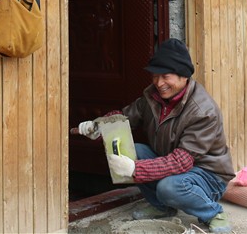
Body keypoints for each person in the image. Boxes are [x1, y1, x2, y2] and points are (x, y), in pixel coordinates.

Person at [77, 38, 234, 233]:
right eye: (155, 76)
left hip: (208, 176)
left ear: (184, 76)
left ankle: (213, 213)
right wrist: (99, 126)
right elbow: (123, 119)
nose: (159, 83)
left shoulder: (203, 111)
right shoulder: (152, 97)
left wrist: (135, 169)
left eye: (165, 76)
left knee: (168, 187)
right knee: (131, 151)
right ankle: (162, 207)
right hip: (175, 166)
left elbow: (181, 161)